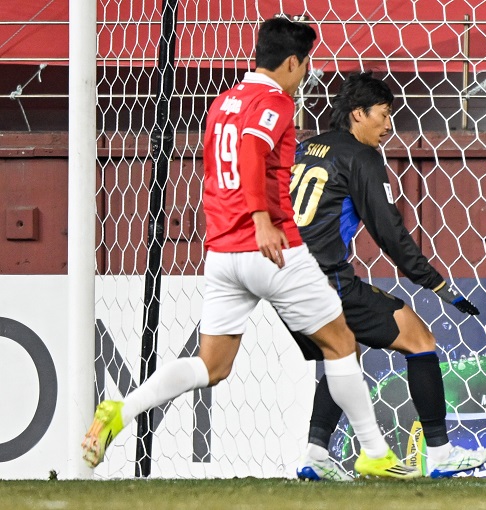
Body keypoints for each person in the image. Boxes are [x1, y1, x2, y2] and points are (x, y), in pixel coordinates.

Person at [81, 18, 417, 479]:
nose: (306, 74)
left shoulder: (223, 102)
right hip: (271, 248)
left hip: (222, 253)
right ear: (293, 62)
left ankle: (122, 409)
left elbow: (219, 167)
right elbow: (252, 152)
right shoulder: (274, 101)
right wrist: (261, 220)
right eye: (306, 64)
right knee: (342, 342)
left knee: (212, 365)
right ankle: (375, 452)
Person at [286, 71, 486, 480]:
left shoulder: (303, 148)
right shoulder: (361, 157)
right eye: (382, 115)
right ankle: (441, 454)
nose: (387, 126)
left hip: (282, 277)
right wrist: (435, 283)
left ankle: (315, 455)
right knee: (419, 339)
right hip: (323, 279)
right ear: (358, 113)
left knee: (343, 352)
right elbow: (390, 232)